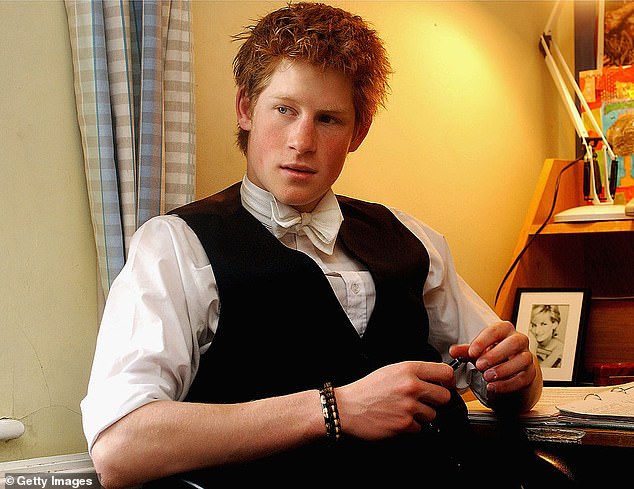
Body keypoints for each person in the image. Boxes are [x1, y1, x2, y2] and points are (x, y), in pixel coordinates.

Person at [81, 3, 545, 488]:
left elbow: (512, 387)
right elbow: (120, 447)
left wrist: (518, 374)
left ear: (357, 133)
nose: (302, 141)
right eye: (284, 110)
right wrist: (335, 409)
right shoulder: (174, 247)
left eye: (328, 119)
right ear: (245, 109)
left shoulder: (412, 238)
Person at [529, 304, 565, 369]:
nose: (537, 331)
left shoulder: (561, 348)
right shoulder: (531, 342)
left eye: (543, 324)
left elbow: (536, 373)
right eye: (534, 325)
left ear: (555, 324)